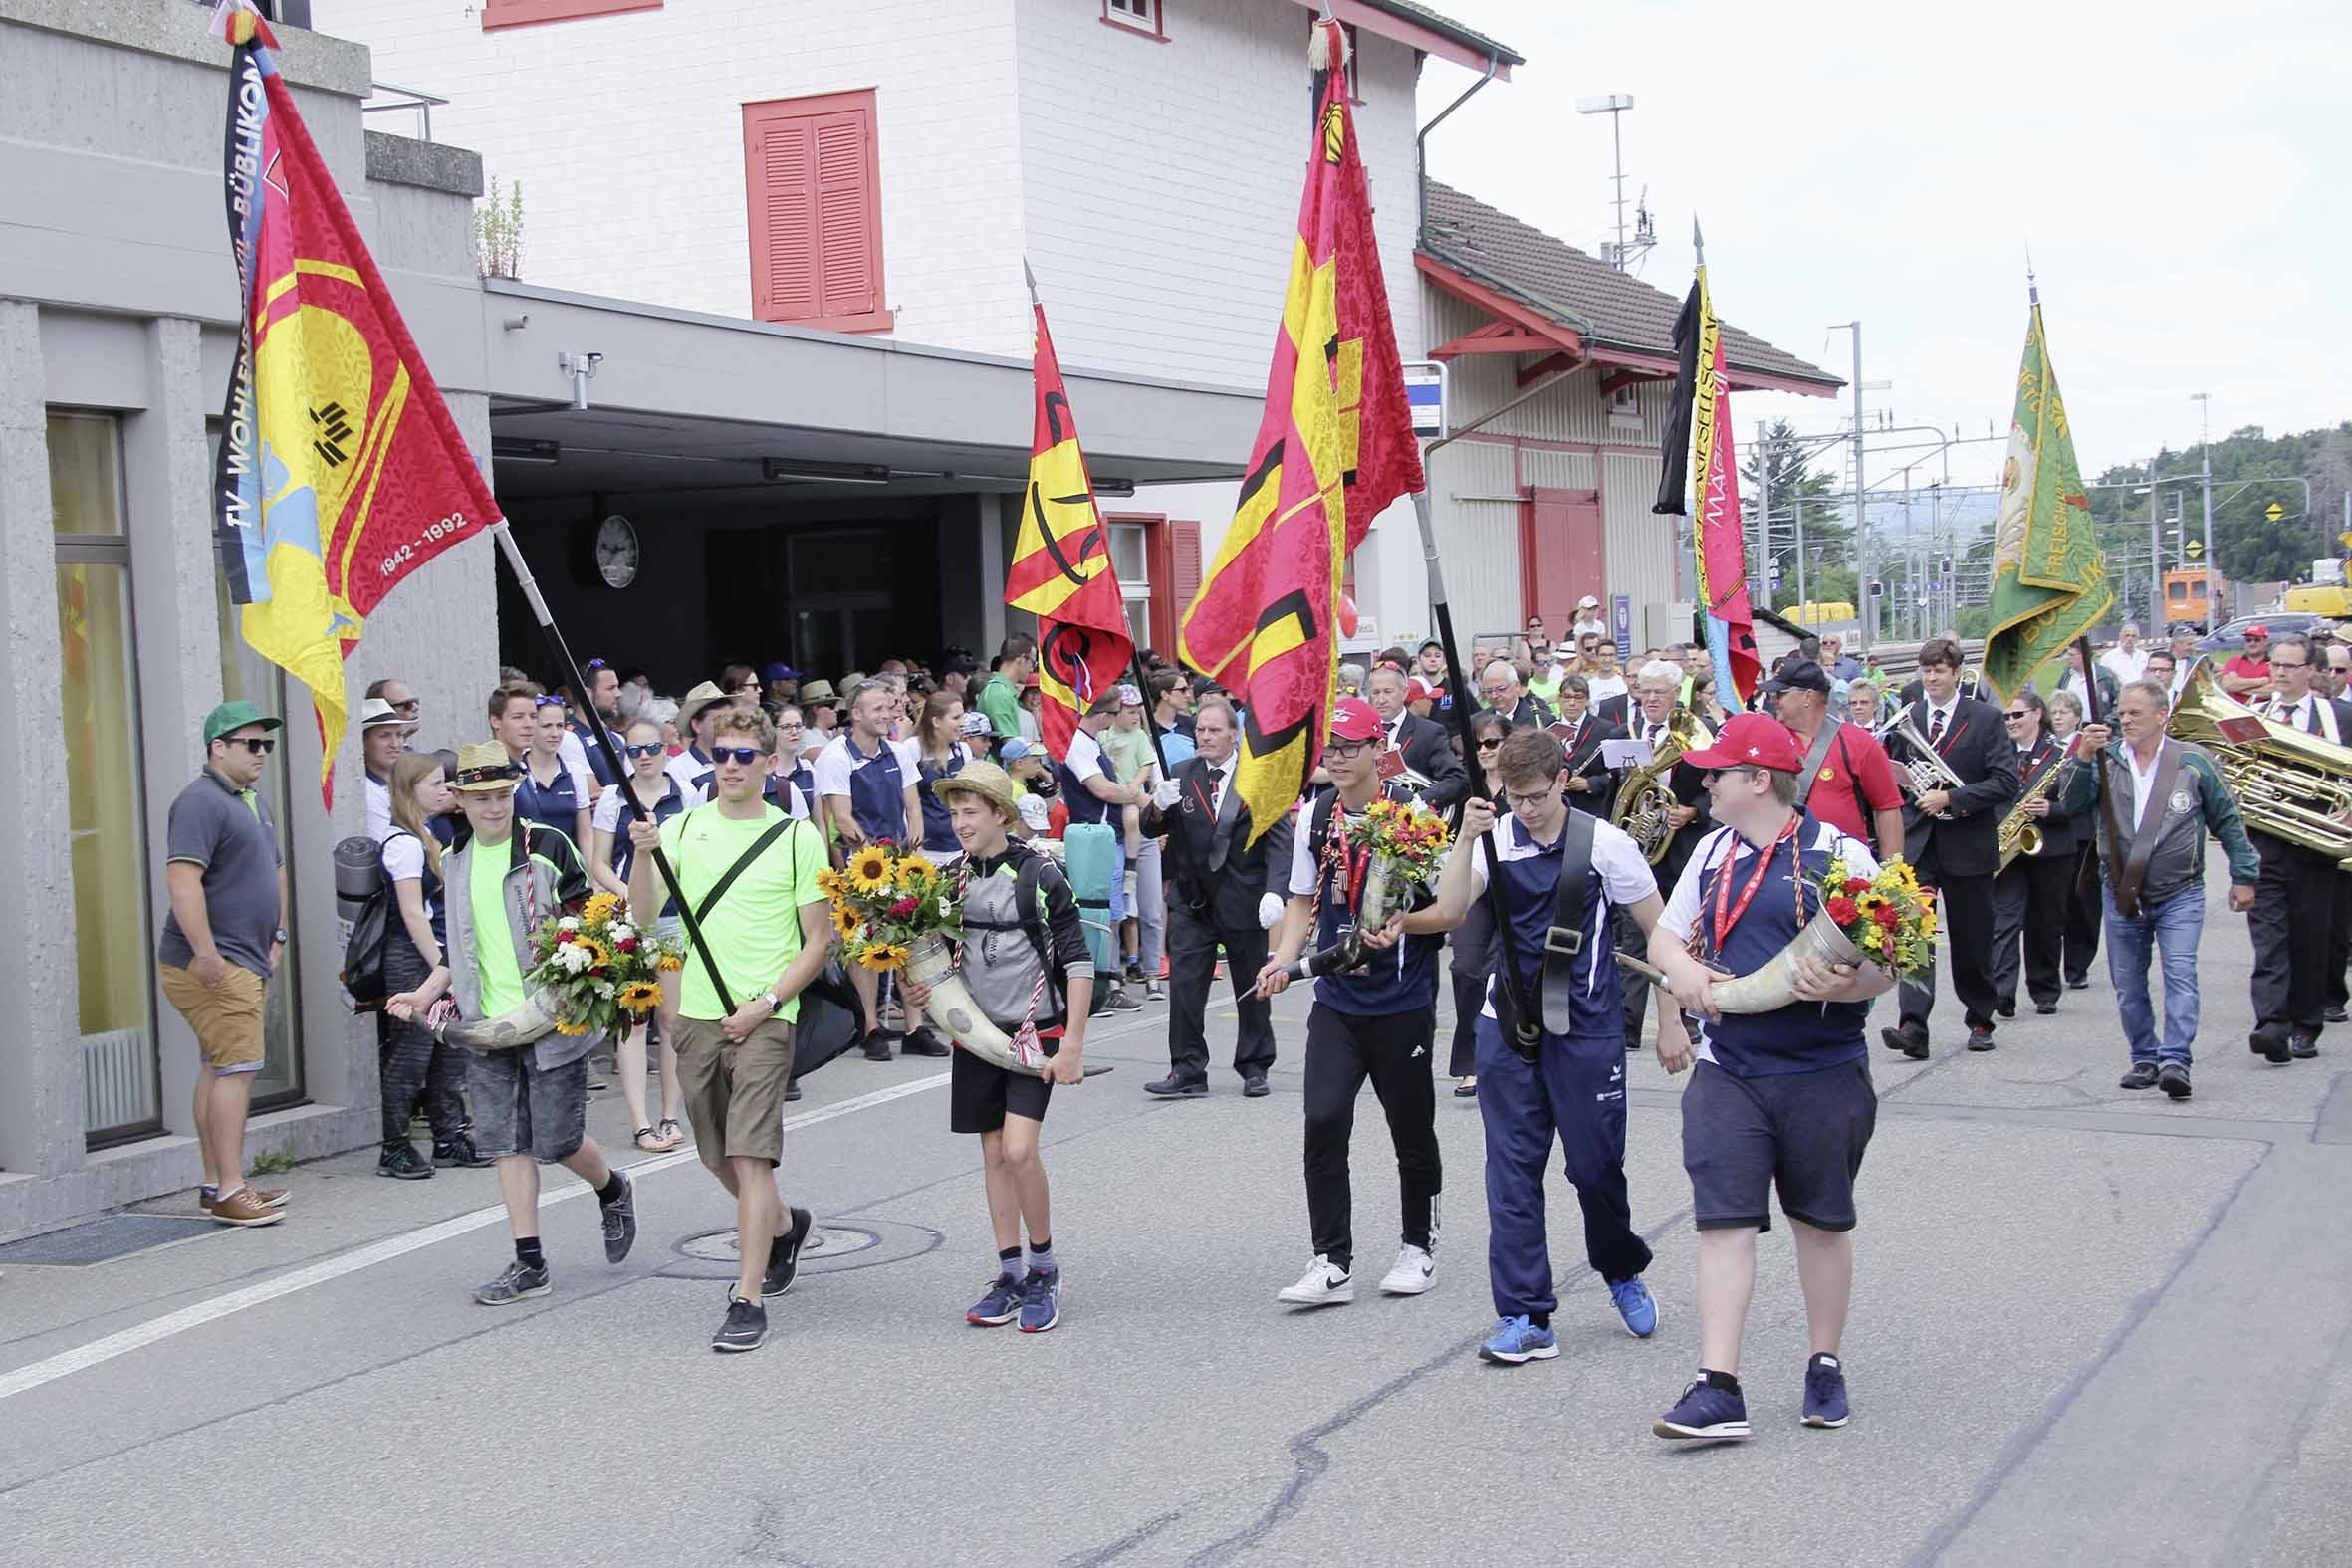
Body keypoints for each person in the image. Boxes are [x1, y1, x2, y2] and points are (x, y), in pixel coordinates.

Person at [1644, 713, 1895, 1442]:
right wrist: (1684, 970)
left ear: (1759, 780)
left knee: (1819, 1221)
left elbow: (1894, 955)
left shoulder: (1839, 852)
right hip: (1731, 1067)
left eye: (1718, 771)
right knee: (1722, 1221)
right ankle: (1717, 1383)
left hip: (1822, 1069)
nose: (1705, 780)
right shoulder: (1711, 849)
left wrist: (1851, 985)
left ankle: (1825, 1361)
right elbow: (1666, 930)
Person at [1424, 730, 1685, 1364]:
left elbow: (1665, 933)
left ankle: (1621, 1269)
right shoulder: (1493, 840)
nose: (1528, 809)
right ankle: (1524, 1313)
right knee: (1510, 1173)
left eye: (1538, 796)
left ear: (1563, 780)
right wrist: (1464, 837)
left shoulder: (1607, 844)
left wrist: (1673, 1016)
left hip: (1587, 1026)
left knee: (1595, 1170)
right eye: (1515, 798)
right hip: (1506, 1026)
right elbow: (1450, 909)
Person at [396, 742, 636, 1305]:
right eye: (481, 798)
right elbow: (459, 949)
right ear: (459, 800)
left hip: (550, 1021)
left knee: (556, 1141)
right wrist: (425, 992)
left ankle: (612, 1186)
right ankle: (530, 1263)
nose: (494, 807)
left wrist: (583, 977)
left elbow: (590, 920)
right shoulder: (453, 860)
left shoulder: (547, 846)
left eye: (502, 795)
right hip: (489, 1027)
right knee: (505, 1142)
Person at [628, 704, 829, 1352]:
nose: (734, 765)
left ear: (770, 763)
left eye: (747, 754)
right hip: (695, 1016)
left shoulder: (798, 836)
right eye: (723, 753)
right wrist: (668, 990)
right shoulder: (681, 830)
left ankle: (747, 1294)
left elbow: (818, 941)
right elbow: (650, 918)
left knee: (749, 1152)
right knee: (717, 1156)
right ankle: (784, 1225)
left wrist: (768, 1002)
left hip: (766, 1015)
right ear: (709, 759)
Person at [1257, 699, 1445, 1308]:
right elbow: (1301, 901)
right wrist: (1284, 959)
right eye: (1329, 749)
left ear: (1375, 751)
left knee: (1410, 1129)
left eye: (1349, 747)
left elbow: (1454, 907)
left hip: (1401, 999)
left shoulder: (1414, 814)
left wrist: (1405, 923)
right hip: (1338, 1000)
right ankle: (1330, 1261)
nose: (1336, 758)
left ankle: (1418, 1246)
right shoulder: (1316, 816)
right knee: (1323, 1121)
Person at [898, 762, 1095, 1334]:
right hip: (976, 1035)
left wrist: (1075, 1045)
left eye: (971, 812)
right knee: (991, 1154)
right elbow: (930, 958)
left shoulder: (1039, 875)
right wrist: (917, 989)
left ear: (1001, 816)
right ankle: (1008, 1273)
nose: (960, 823)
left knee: (1017, 1151)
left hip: (1036, 1032)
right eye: (954, 812)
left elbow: (1079, 962)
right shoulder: (947, 880)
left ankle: (1044, 1267)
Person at [2058, 682, 2258, 1097]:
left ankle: (2175, 1060)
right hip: (2120, 892)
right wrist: (2080, 758)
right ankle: (2144, 1057)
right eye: (2122, 713)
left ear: (2160, 715)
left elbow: (2228, 820)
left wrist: (2244, 875)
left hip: (2179, 891)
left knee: (2180, 973)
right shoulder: (2105, 760)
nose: (2125, 720)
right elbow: (2072, 805)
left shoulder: (2194, 762)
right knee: (2128, 982)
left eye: (2135, 712)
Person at [156, 702, 292, 1228]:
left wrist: (277, 935)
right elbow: (182, 879)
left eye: (267, 745)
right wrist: (207, 953)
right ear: (218, 747)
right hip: (217, 962)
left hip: (246, 958)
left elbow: (275, 872)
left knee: (221, 1066)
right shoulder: (199, 802)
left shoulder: (251, 800)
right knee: (237, 1069)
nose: (262, 754)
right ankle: (231, 1190)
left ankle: (219, 1184)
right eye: (251, 744)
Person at [1139, 697, 1291, 1097]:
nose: (1204, 736)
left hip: (1244, 898)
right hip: (1192, 901)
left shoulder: (1259, 778)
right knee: (1186, 987)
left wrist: (1275, 892)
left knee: (1250, 986)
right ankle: (1188, 1069)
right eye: (1200, 730)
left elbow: (1279, 844)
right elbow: (1151, 828)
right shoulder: (1182, 773)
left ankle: (1254, 1065)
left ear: (1233, 734)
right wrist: (1157, 806)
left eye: (1213, 730)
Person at [1878, 637, 2018, 1059]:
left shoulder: (1987, 719)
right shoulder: (1911, 717)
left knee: (1971, 937)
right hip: (1922, 842)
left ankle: (1980, 1017)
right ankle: (1913, 1027)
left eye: (1939, 670)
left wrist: (1952, 799)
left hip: (1967, 842)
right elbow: (1902, 774)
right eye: (1926, 670)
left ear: (1956, 673)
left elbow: (2005, 781)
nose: (1932, 677)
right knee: (1915, 936)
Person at [375, 753, 487, 1177]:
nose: (445, 791)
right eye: (436, 784)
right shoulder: (403, 843)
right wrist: (440, 962)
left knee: (449, 1049)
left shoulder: (426, 834)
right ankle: (395, 1146)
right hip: (413, 955)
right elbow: (412, 912)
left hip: (437, 953)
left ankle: (450, 1136)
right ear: (410, 790)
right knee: (411, 1054)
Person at [2241, 638, 2350, 1063]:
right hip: (2266, 847)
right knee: (2268, 941)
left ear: (2311, 671)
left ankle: (2306, 1025)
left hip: (2316, 848)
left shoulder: (2340, 716)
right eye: (2276, 665)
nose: (2281, 672)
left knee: (2309, 941)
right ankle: (2271, 1024)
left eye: (2291, 665)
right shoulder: (2253, 716)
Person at [592, 719, 692, 1152]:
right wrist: (630, 897)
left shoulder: (687, 792)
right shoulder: (614, 799)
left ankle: (671, 1114)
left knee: (671, 1022)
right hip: (629, 921)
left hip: (675, 919)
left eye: (651, 747)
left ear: (667, 748)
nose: (644, 756)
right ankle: (639, 1121)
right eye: (634, 751)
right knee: (633, 1021)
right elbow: (597, 862)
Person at [815, 679, 925, 1056]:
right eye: (877, 708)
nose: (887, 714)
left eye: (889, 706)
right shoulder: (835, 756)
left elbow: (913, 805)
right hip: (862, 865)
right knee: (865, 947)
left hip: (899, 862)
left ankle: (915, 1028)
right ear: (856, 714)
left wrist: (913, 847)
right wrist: (872, 862)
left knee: (907, 943)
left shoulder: (897, 751)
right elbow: (842, 819)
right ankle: (871, 1025)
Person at [1621, 660, 1716, 1055]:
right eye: (1645, 691)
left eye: (1660, 692)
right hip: (1638, 849)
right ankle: (1627, 1023)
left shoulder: (1696, 733)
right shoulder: (1624, 731)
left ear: (1677, 695)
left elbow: (1715, 783)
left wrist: (1693, 810)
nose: (1651, 699)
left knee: (1683, 935)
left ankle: (1687, 1013)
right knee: (1631, 934)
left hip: (1677, 848)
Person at [1989, 692, 2081, 1019]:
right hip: (2009, 848)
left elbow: (2084, 801)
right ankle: (2002, 993)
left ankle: (2044, 989)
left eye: (2018, 715)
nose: (2011, 722)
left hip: (2052, 849)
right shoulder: (1998, 753)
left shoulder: (2063, 753)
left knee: (2046, 922)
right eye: (2006, 717)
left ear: (2038, 714)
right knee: (2004, 922)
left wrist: (2052, 809)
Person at [1058, 690, 1148, 1011]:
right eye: (1112, 715)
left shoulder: (1091, 743)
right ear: (1103, 716)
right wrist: (1139, 798)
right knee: (1098, 914)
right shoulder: (1079, 745)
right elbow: (1101, 789)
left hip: (1106, 837)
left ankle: (1108, 981)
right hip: (1092, 837)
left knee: (1110, 913)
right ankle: (1103, 984)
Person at [1766, 659, 1905, 861]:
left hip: (1847, 870)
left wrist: (1892, 875)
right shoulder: (1769, 741)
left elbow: (1887, 808)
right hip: (1782, 864)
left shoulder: (1858, 742)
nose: (1773, 700)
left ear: (1807, 696)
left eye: (1781, 694)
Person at [1448, 712, 1513, 1097]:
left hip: (1515, 886)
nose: (1484, 751)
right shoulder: (1464, 788)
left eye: (1491, 742)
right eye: (1476, 744)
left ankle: (1506, 1052)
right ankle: (1469, 1062)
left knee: (1506, 969)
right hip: (1474, 886)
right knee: (1467, 967)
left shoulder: (1522, 785)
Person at [2043, 691, 2103, 991]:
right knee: (2056, 903)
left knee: (2083, 902)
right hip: (2050, 833)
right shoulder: (2046, 746)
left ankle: (2078, 964)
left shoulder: (2086, 746)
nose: (2058, 716)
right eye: (2054, 711)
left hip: (2081, 832)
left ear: (2078, 717)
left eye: (2065, 711)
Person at [1367, 664, 1468, 808]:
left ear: (1404, 692)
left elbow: (1457, 779)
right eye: (1375, 692)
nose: (1381, 699)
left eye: (1388, 692)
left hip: (1411, 822)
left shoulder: (1429, 732)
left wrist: (1415, 802)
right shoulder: (1361, 732)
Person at [515, 693, 594, 875]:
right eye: (546, 726)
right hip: (529, 872)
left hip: (569, 871)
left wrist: (593, 879)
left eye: (560, 726)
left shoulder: (574, 772)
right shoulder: (518, 771)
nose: (555, 733)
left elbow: (586, 835)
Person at [1553, 674, 1622, 817]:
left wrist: (1590, 783)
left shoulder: (1606, 729)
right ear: (1559, 699)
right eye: (1567, 697)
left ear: (1587, 700)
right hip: (1556, 807)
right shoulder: (1549, 728)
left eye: (1578, 697)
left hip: (1592, 808)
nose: (1572, 703)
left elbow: (1619, 773)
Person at [665, 681, 733, 800]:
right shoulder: (677, 768)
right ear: (697, 725)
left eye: (730, 718)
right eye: (719, 720)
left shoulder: (741, 757)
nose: (727, 724)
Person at [361, 697, 415, 844]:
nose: (395, 744)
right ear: (364, 742)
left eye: (399, 735)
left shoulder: (407, 779)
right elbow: (387, 845)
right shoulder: (368, 790)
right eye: (385, 735)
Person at [973, 636, 1034, 743]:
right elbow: (1012, 747)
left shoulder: (1001, 690)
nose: (1032, 669)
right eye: (1032, 663)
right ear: (1022, 659)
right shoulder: (999, 693)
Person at [1480, 657, 1554, 731]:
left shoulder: (1543, 720)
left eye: (1501, 689)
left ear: (1516, 686)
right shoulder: (1476, 721)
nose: (1494, 696)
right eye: (1488, 691)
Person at [2056, 641, 2121, 721]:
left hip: (2099, 729)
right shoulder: (2066, 677)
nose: (2068, 658)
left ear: (2084, 655)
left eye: (2072, 655)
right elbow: (2057, 702)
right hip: (2073, 729)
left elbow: (2119, 703)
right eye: (2068, 654)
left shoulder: (2106, 676)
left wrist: (2109, 723)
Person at [2218, 623, 2272, 700]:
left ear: (2266, 642)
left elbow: (2271, 692)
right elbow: (2227, 684)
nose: (2252, 643)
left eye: (2257, 640)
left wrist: (2238, 687)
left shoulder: (2273, 665)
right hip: (2233, 709)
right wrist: (2261, 681)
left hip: (2259, 711)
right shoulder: (2234, 661)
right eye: (2248, 640)